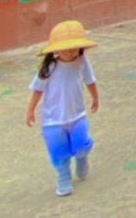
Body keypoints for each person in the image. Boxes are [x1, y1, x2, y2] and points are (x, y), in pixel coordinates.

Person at [25, 20, 100, 197]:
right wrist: (30, 110)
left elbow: (90, 81)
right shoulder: (49, 67)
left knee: (81, 145)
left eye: (74, 48)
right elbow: (37, 90)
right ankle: (64, 179)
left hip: (77, 116)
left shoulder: (82, 61)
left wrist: (95, 97)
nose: (70, 52)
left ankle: (82, 158)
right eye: (65, 48)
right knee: (59, 154)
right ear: (55, 50)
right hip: (53, 121)